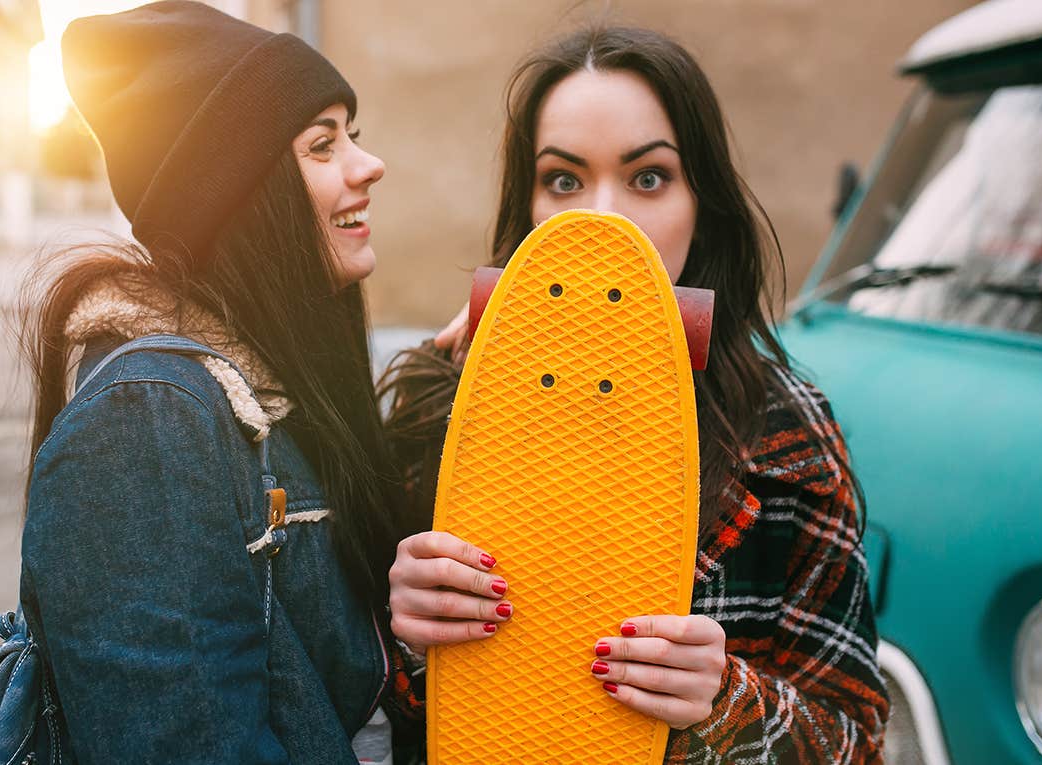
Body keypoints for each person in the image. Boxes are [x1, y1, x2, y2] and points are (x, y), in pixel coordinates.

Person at [378, 25, 889, 762]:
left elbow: (859, 739)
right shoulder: (443, 406)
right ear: (525, 207)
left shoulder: (785, 432)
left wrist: (727, 700)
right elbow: (349, 703)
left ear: (701, 201)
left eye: (648, 177)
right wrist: (405, 638)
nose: (605, 218)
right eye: (564, 180)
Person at [16, 2, 415, 762]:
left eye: (352, 137)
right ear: (238, 194)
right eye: (322, 145)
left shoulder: (269, 394)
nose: (368, 165)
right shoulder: (144, 425)